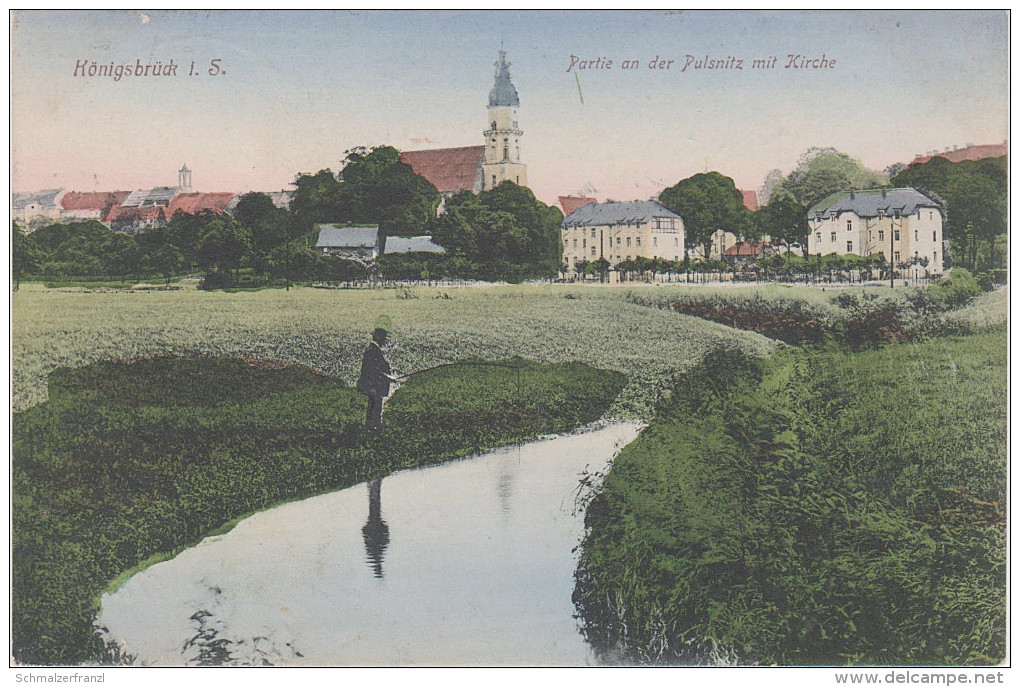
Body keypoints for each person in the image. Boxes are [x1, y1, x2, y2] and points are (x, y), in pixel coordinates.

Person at [357, 328, 396, 431]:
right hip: (374, 385)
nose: (384, 341)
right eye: (383, 338)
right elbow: (374, 370)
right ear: (378, 338)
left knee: (373, 407)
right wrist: (388, 377)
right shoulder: (373, 351)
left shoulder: (373, 349)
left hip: (373, 385)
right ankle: (374, 428)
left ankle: (371, 428)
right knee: (375, 407)